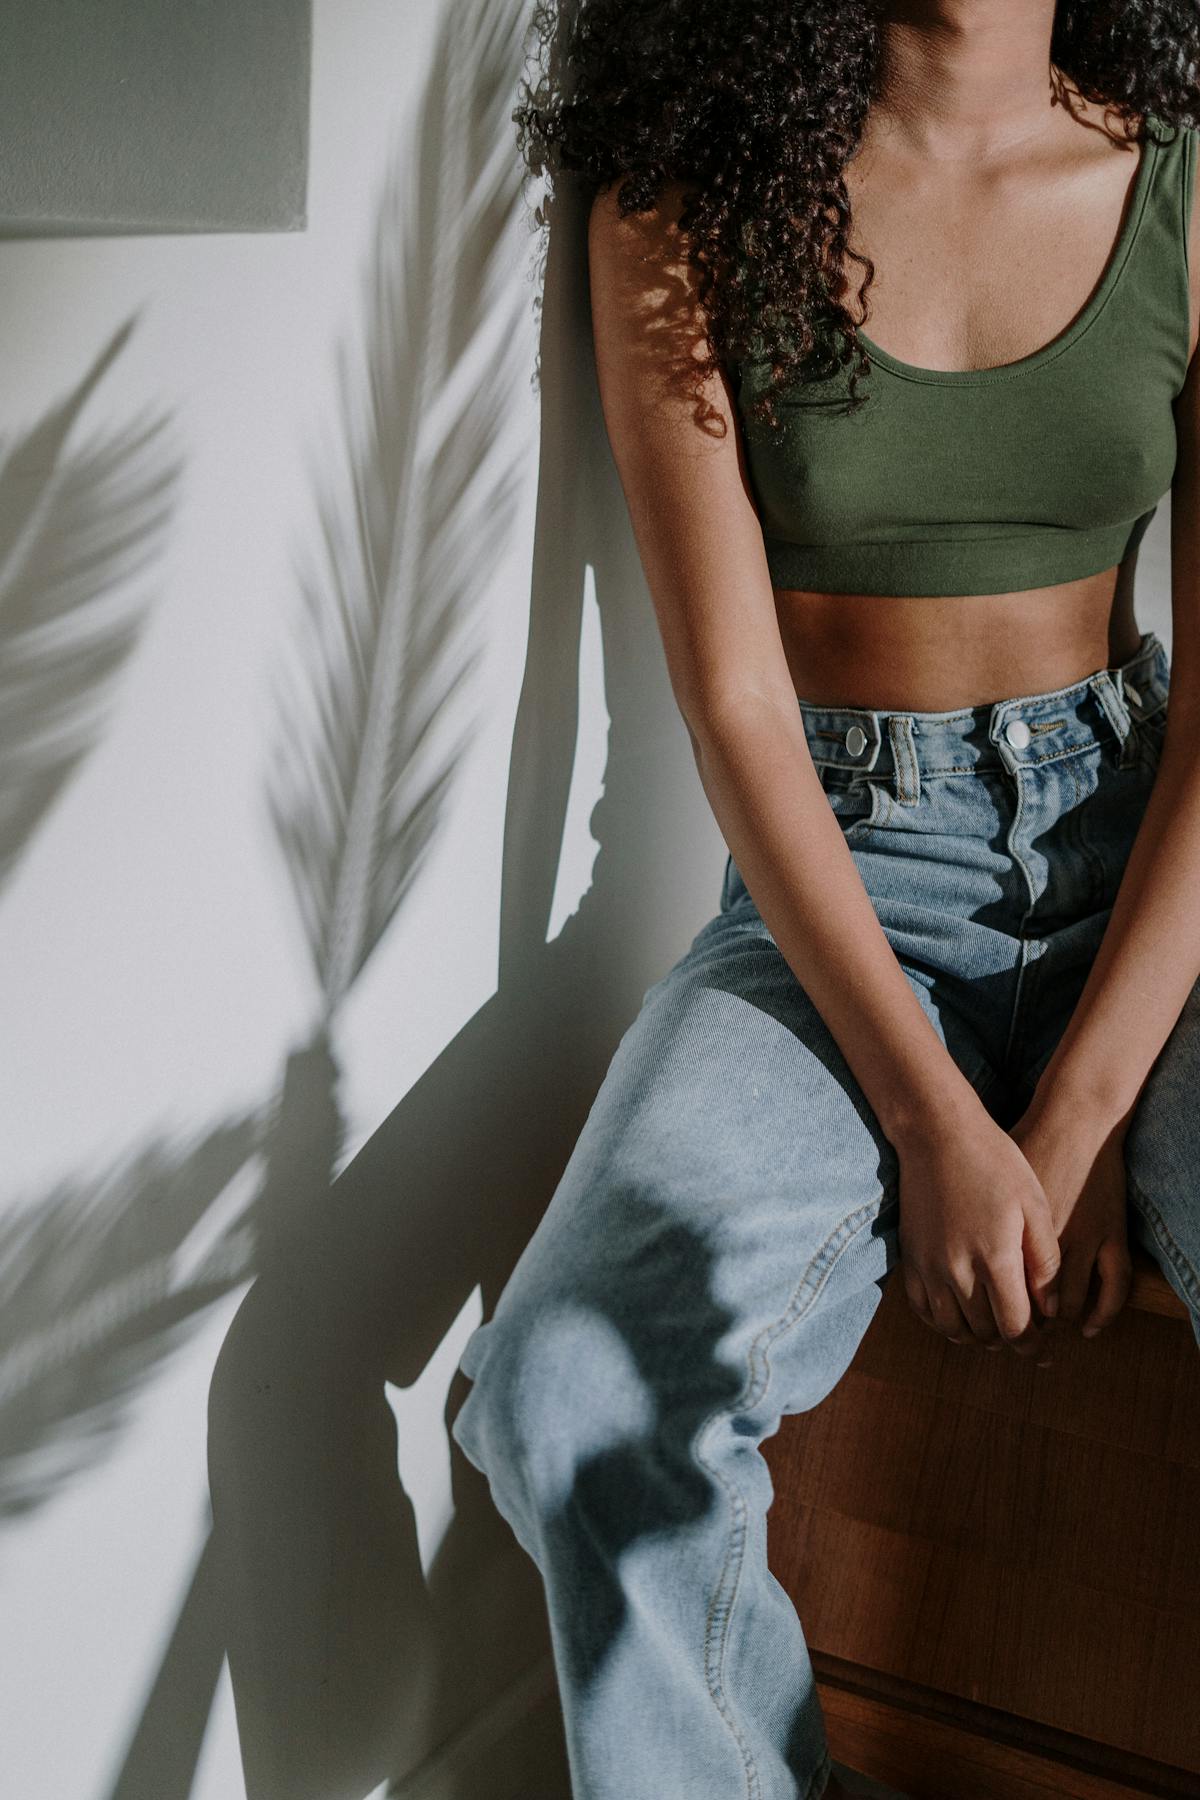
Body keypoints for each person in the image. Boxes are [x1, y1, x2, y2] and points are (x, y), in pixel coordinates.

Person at [450, 3, 1200, 1796]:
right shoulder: (689, 193)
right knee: (562, 1385)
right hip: (842, 885)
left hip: (1151, 853)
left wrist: (1082, 1117)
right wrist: (935, 1115)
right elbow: (730, 702)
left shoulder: (1183, 176)